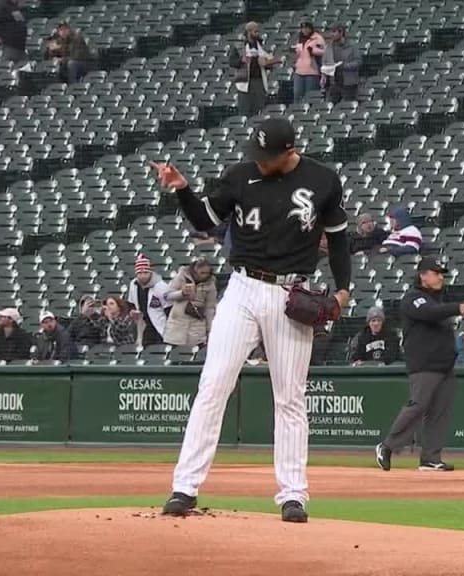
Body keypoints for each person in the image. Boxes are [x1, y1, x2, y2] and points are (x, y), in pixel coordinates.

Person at [152, 117, 352, 523]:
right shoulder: (240, 175)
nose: (258, 161)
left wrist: (344, 287)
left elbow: (340, 240)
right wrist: (182, 189)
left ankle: (293, 494)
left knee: (290, 396)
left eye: (267, 156)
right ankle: (184, 487)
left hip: (291, 293)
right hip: (242, 288)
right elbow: (205, 221)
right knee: (213, 383)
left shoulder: (323, 179)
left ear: (288, 151)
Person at [375, 258, 464, 473]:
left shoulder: (438, 301)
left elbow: (438, 310)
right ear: (422, 275)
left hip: (445, 365)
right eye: (435, 272)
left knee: (440, 411)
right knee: (418, 405)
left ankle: (431, 457)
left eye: (442, 273)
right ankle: (387, 446)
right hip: (424, 364)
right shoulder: (413, 298)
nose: (440, 276)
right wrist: (458, 307)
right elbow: (429, 313)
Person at [229, 22, 281, 117]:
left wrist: (267, 63)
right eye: (255, 31)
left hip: (259, 82)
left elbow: (270, 61)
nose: (258, 33)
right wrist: (241, 60)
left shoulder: (260, 46)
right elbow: (232, 62)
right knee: (245, 111)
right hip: (244, 83)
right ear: (249, 32)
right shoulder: (239, 46)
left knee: (259, 111)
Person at [164, 257, 218, 347]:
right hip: (176, 327)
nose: (204, 275)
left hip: (197, 328)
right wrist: (182, 293)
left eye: (207, 273)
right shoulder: (182, 276)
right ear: (194, 271)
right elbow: (167, 296)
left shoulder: (211, 284)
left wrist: (210, 330)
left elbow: (210, 308)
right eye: (202, 273)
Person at [126, 255, 170, 347]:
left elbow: (169, 309)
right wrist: (132, 311)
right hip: (145, 324)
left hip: (160, 324)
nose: (142, 276)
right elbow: (131, 303)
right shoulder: (133, 284)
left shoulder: (161, 287)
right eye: (139, 273)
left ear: (150, 272)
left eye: (145, 272)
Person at [322, 24, 361, 103]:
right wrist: (324, 74)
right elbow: (325, 62)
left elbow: (358, 62)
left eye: (334, 32)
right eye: (331, 32)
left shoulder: (352, 46)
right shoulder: (329, 47)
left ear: (341, 32)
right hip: (334, 82)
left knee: (348, 105)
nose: (331, 34)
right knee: (331, 105)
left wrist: (345, 66)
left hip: (349, 83)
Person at [292, 21, 325, 103]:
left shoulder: (317, 38)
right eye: (303, 28)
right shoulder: (299, 38)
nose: (305, 30)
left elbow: (325, 51)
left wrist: (313, 51)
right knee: (297, 93)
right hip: (299, 71)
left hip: (312, 71)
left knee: (310, 95)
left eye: (306, 28)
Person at [0, 0, 28, 68]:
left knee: (25, 68)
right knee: (7, 66)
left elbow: (20, 22)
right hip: (10, 45)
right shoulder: (3, 6)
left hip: (20, 46)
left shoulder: (14, 8)